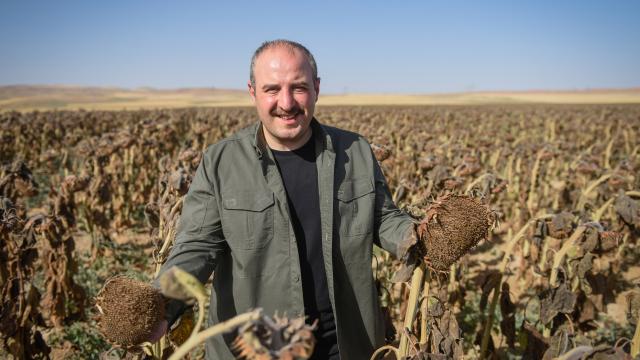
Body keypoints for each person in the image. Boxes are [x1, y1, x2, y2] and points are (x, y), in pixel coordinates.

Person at [153, 39, 418, 359]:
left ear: (317, 88)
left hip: (343, 343)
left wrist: (420, 235)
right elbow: (196, 246)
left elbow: (383, 217)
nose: (287, 102)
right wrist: (159, 305)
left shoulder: (355, 150)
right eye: (272, 89)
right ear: (253, 92)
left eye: (299, 87)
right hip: (255, 349)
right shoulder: (221, 161)